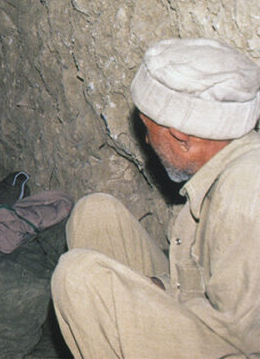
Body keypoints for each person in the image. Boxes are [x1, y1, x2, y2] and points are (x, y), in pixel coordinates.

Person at [51, 37, 260, 359]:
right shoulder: (227, 169)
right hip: (208, 316)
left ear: (182, 138)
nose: (147, 141)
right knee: (97, 213)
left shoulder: (246, 195)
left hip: (233, 346)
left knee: (80, 277)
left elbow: (239, 339)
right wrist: (155, 288)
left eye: (150, 131)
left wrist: (140, 302)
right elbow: (206, 286)